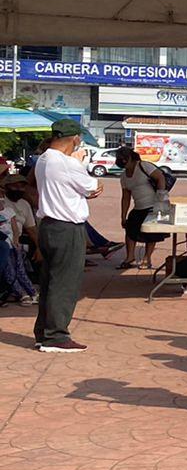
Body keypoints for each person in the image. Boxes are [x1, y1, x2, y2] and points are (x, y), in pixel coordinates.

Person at [32, 119, 102, 352]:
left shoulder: (43, 159)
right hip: (67, 227)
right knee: (65, 283)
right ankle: (56, 336)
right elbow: (92, 186)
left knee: (50, 281)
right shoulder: (66, 162)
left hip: (48, 225)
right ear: (74, 139)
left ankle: (43, 332)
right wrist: (79, 163)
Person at [114, 147, 164, 270]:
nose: (124, 165)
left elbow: (160, 178)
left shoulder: (143, 166)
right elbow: (125, 197)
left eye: (125, 161)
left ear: (130, 158)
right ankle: (130, 257)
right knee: (130, 230)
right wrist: (123, 216)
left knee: (151, 234)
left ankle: (147, 258)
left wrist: (161, 199)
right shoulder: (124, 176)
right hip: (139, 207)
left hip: (153, 204)